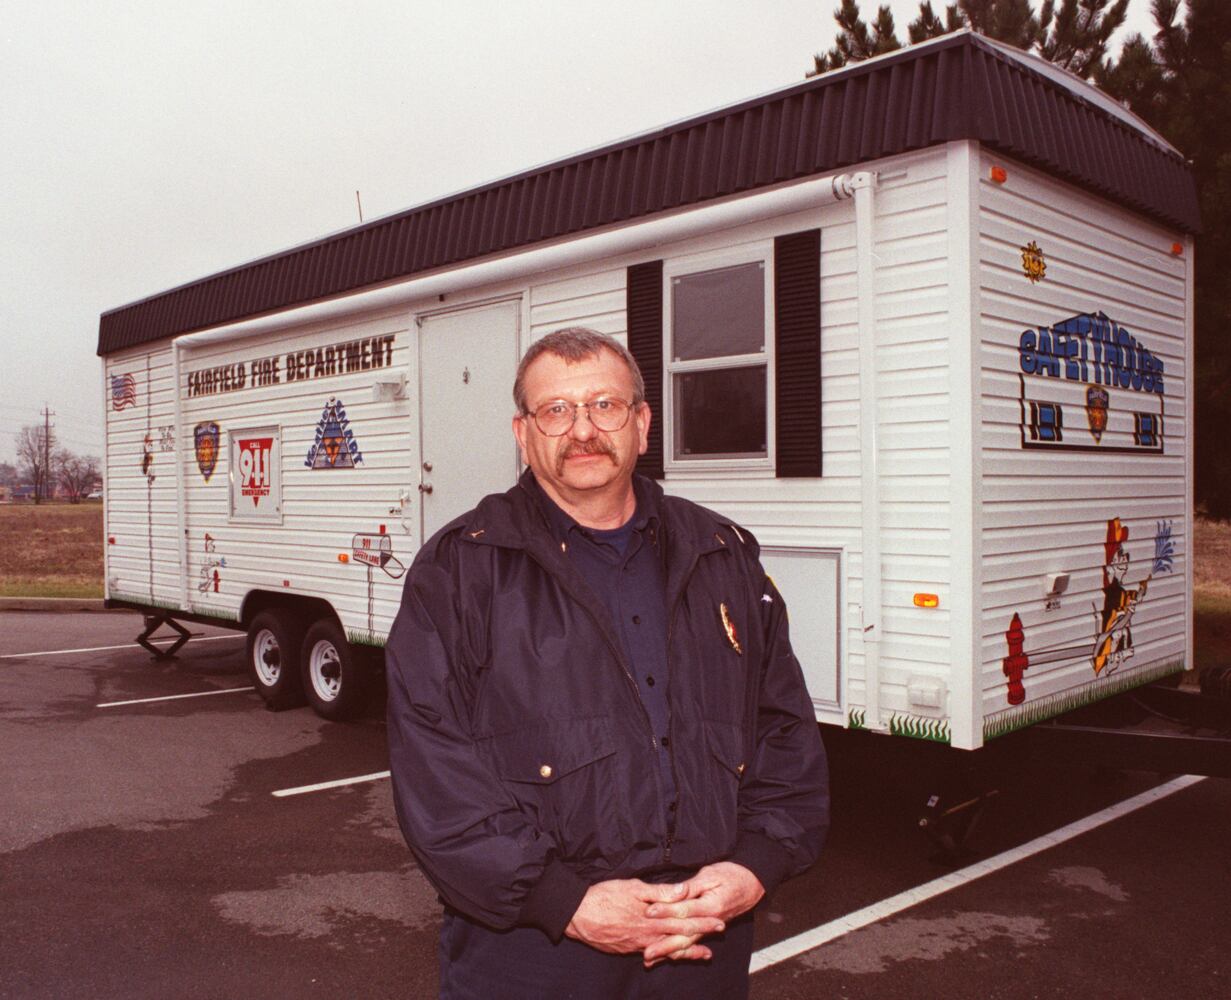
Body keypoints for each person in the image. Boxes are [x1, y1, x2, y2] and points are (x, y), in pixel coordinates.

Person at [386, 327, 829, 999]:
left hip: (701, 935)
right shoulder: (460, 570)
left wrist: (752, 868)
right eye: (555, 411)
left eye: (604, 406)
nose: (582, 430)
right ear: (522, 432)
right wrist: (563, 901)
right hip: (533, 950)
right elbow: (434, 771)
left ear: (642, 423)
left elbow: (783, 730)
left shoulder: (720, 554)